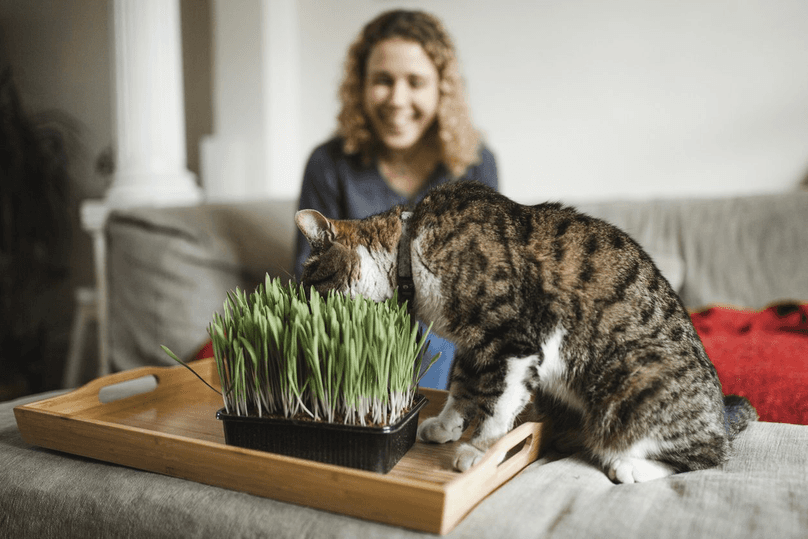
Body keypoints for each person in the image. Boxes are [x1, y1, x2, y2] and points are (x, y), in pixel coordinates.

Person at [295, 9, 499, 389]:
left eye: (416, 81)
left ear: (442, 89)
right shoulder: (328, 164)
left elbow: (483, 285)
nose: (397, 99)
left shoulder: (476, 164)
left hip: (445, 336)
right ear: (361, 86)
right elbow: (307, 276)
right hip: (356, 339)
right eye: (383, 81)